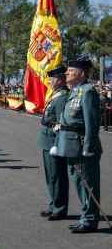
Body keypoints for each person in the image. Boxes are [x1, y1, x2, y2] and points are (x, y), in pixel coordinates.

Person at [53, 56, 103, 233]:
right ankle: (85, 216)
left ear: (81, 73)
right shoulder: (75, 91)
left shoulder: (88, 91)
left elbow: (92, 123)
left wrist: (89, 147)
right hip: (72, 146)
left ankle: (89, 219)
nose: (66, 73)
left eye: (70, 71)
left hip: (82, 146)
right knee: (79, 184)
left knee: (87, 184)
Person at [37, 66, 69, 220]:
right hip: (46, 140)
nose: (50, 81)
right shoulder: (56, 95)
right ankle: (53, 205)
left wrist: (58, 143)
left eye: (53, 78)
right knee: (50, 176)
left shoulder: (62, 97)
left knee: (57, 176)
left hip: (53, 141)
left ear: (61, 80)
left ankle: (60, 208)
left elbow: (61, 123)